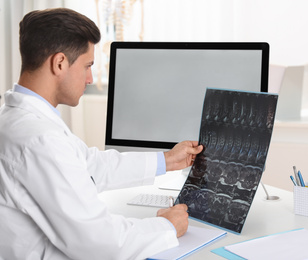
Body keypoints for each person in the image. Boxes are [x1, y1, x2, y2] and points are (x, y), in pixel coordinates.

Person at [0, 8, 203, 260]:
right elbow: (99, 243)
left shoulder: (17, 119)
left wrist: (168, 160)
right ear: (60, 62)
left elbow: (89, 165)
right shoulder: (38, 138)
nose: (90, 78)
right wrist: (167, 226)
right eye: (87, 65)